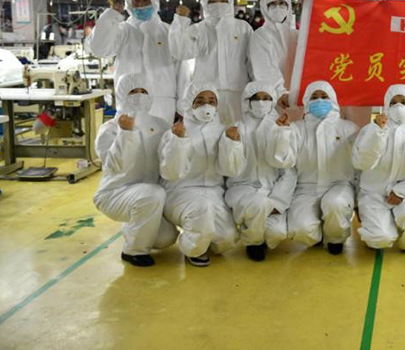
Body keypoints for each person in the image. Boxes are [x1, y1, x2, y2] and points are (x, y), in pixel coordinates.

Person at [93, 73, 177, 267]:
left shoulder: (160, 125)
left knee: (166, 238)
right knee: (152, 194)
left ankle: (134, 226)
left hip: (148, 196)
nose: (139, 96)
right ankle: (133, 251)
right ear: (122, 95)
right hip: (115, 193)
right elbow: (116, 166)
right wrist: (125, 133)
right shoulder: (110, 129)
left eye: (144, 91)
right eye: (133, 92)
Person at [159, 83, 245, 267]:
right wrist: (178, 141)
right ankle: (193, 249)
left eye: (212, 101)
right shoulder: (175, 131)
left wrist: (233, 144)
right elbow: (171, 172)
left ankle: (203, 238)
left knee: (229, 237)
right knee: (202, 210)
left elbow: (231, 171)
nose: (207, 106)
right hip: (179, 191)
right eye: (200, 101)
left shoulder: (223, 130)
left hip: (214, 192)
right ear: (189, 103)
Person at [269, 80, 359, 254]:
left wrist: (360, 198)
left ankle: (335, 239)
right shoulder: (296, 129)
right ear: (306, 101)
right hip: (306, 188)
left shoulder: (348, 128)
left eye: (324, 96)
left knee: (335, 204)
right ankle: (319, 236)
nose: (319, 100)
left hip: (339, 185)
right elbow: (284, 161)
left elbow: (360, 165)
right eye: (314, 97)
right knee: (301, 229)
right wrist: (283, 134)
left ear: (333, 99)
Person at [352, 84, 405, 255]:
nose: (399, 106)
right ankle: (378, 229)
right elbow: (362, 163)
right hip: (374, 192)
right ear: (386, 105)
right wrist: (377, 133)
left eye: (404, 102)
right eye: (393, 102)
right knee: (379, 239)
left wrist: (402, 191)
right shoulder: (370, 130)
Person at [225, 81, 296, 262]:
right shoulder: (236, 128)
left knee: (277, 233)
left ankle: (254, 228)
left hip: (271, 190)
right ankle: (253, 242)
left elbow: (289, 171)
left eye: (266, 98)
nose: (261, 102)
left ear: (273, 101)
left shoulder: (283, 126)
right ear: (247, 101)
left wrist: (277, 202)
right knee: (258, 204)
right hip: (242, 189)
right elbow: (228, 168)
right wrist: (231, 143)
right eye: (256, 98)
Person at [87, 0, 179, 123]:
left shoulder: (167, 32)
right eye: (136, 0)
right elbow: (99, 49)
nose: (141, 4)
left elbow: (180, 68)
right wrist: (111, 17)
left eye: (145, 0)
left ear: (154, 1)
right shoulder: (123, 31)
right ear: (129, 3)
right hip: (129, 101)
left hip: (162, 103)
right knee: (128, 135)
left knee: (160, 135)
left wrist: (182, 106)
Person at [169, 0, 252, 125]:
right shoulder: (199, 29)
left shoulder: (243, 28)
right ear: (204, 3)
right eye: (213, 0)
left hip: (238, 91)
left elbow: (251, 61)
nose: (218, 4)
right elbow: (181, 52)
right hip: (207, 96)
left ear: (230, 1)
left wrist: (255, 90)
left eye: (222, 0)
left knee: (238, 132)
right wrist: (180, 21)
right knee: (207, 133)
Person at [248, 0, 298, 108]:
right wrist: (281, 92)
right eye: (272, 4)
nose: (277, 7)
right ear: (265, 8)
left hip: (298, 95)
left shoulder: (297, 34)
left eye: (282, 3)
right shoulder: (260, 35)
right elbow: (264, 70)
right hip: (273, 97)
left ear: (288, 6)